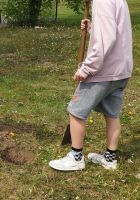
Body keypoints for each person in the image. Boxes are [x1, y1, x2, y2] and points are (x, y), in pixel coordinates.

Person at [49, 0, 133, 171]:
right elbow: (113, 31)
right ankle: (110, 159)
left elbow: (106, 40)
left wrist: (87, 68)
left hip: (103, 71)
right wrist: (93, 28)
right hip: (121, 70)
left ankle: (76, 157)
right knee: (112, 114)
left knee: (76, 111)